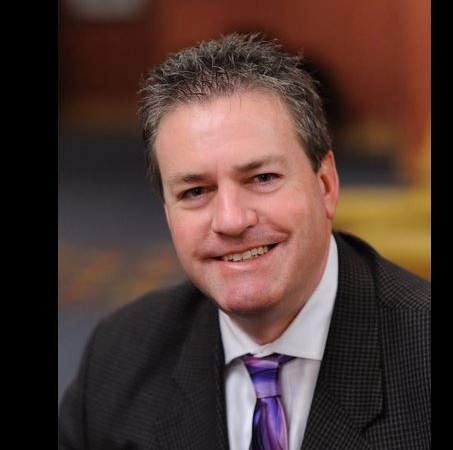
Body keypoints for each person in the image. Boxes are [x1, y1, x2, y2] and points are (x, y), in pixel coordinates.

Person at [59, 33, 430, 450]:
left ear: (325, 184)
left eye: (262, 178)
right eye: (195, 191)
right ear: (166, 211)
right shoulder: (119, 356)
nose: (231, 221)